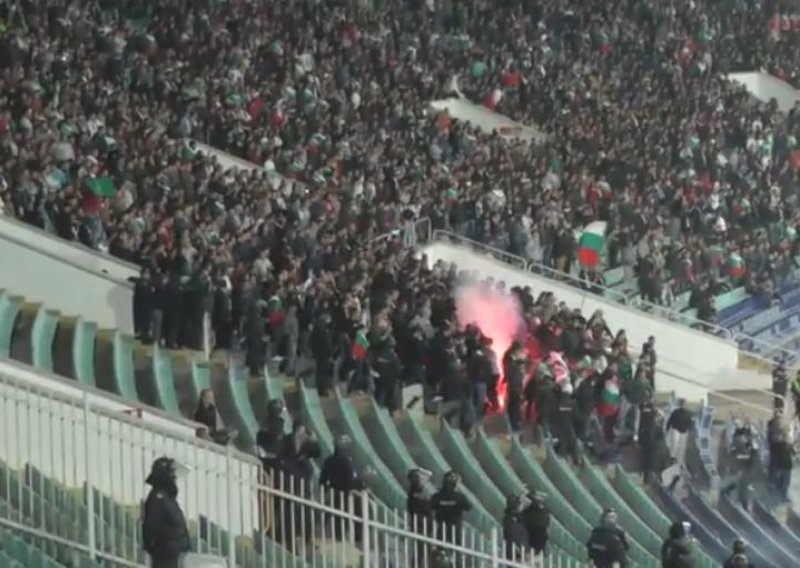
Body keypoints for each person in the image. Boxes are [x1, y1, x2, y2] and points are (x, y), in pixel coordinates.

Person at [141, 457, 192, 568]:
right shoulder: (157, 498)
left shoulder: (166, 498)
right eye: (172, 474)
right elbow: (151, 529)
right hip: (165, 557)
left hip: (174, 556)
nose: (174, 478)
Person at [320, 435, 366, 540]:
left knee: (346, 517)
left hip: (346, 494)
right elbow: (323, 479)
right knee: (339, 517)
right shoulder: (336, 461)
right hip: (340, 493)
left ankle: (350, 538)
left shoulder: (351, 462)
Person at [431, 471, 472, 545]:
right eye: (449, 479)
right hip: (442, 527)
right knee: (441, 547)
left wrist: (459, 488)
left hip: (455, 527)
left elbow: (469, 507)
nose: (450, 481)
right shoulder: (438, 496)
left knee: (456, 548)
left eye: (453, 479)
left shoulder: (459, 496)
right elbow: (430, 507)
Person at [407, 467, 434, 565]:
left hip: (425, 523)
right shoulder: (415, 491)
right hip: (419, 523)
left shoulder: (422, 491)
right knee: (420, 548)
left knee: (424, 549)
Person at [503, 340, 529, 435]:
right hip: (515, 387)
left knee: (513, 406)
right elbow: (513, 375)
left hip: (515, 386)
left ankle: (512, 424)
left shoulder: (511, 359)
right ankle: (514, 426)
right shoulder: (512, 361)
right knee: (514, 406)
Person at [503, 494, 530, 561]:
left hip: (518, 552)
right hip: (516, 555)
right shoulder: (512, 522)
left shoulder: (512, 519)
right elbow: (516, 537)